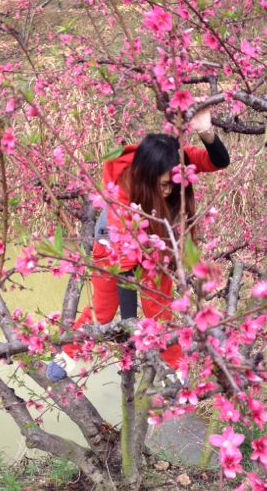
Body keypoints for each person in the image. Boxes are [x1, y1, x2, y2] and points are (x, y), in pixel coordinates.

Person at [47, 106, 230, 382]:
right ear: (145, 177)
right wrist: (131, 325)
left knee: (160, 310)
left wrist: (206, 131)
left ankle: (174, 366)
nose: (168, 190)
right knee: (103, 310)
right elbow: (125, 262)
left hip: (156, 237)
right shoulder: (122, 189)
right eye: (162, 185)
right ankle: (68, 352)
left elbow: (219, 161)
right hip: (114, 242)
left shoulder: (174, 160)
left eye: (172, 184)